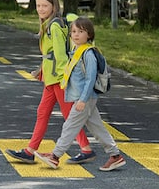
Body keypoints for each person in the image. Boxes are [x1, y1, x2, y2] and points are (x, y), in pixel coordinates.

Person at [5, 0, 96, 163]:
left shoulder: (54, 26)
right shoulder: (48, 23)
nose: (40, 9)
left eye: (45, 6)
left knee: (69, 115)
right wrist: (41, 69)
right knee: (43, 112)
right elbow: (50, 54)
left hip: (58, 79)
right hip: (50, 78)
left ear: (53, 6)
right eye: (38, 5)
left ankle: (86, 149)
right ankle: (30, 151)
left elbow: (60, 55)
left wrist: (64, 79)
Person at [34, 17, 126, 172]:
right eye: (73, 31)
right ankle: (115, 156)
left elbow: (90, 79)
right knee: (97, 129)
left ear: (89, 34)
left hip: (84, 99)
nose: (76, 35)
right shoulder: (77, 51)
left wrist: (82, 100)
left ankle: (55, 156)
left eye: (81, 32)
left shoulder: (88, 54)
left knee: (69, 127)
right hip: (82, 98)